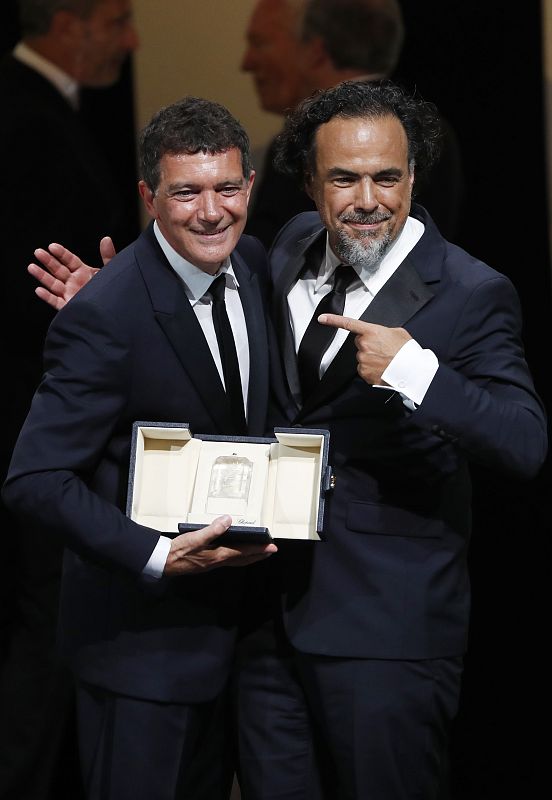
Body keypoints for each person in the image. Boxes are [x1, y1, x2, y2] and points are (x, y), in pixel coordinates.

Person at [26, 80, 548, 800]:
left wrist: (415, 371)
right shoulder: (282, 254)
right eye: (344, 177)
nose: (367, 198)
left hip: (385, 635)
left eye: (386, 176)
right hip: (262, 628)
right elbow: (188, 315)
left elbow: (524, 443)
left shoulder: (470, 290)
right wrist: (121, 297)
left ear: (413, 178)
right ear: (309, 185)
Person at [2, 95, 281, 800]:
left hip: (243, 644)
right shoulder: (105, 313)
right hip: (140, 656)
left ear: (249, 186)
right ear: (148, 198)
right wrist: (154, 554)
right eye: (186, 192)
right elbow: (34, 477)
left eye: (226, 188)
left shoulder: (252, 264)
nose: (211, 211)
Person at [0, 2, 139, 797]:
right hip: (39, 423)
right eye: (119, 19)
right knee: (49, 617)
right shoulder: (25, 117)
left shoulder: (46, 111)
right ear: (72, 19)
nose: (133, 39)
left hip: (49, 417)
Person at [242, 0, 464, 248]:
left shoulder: (309, 138)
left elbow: (269, 262)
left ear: (315, 51)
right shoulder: (431, 131)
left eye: (260, 43)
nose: (246, 63)